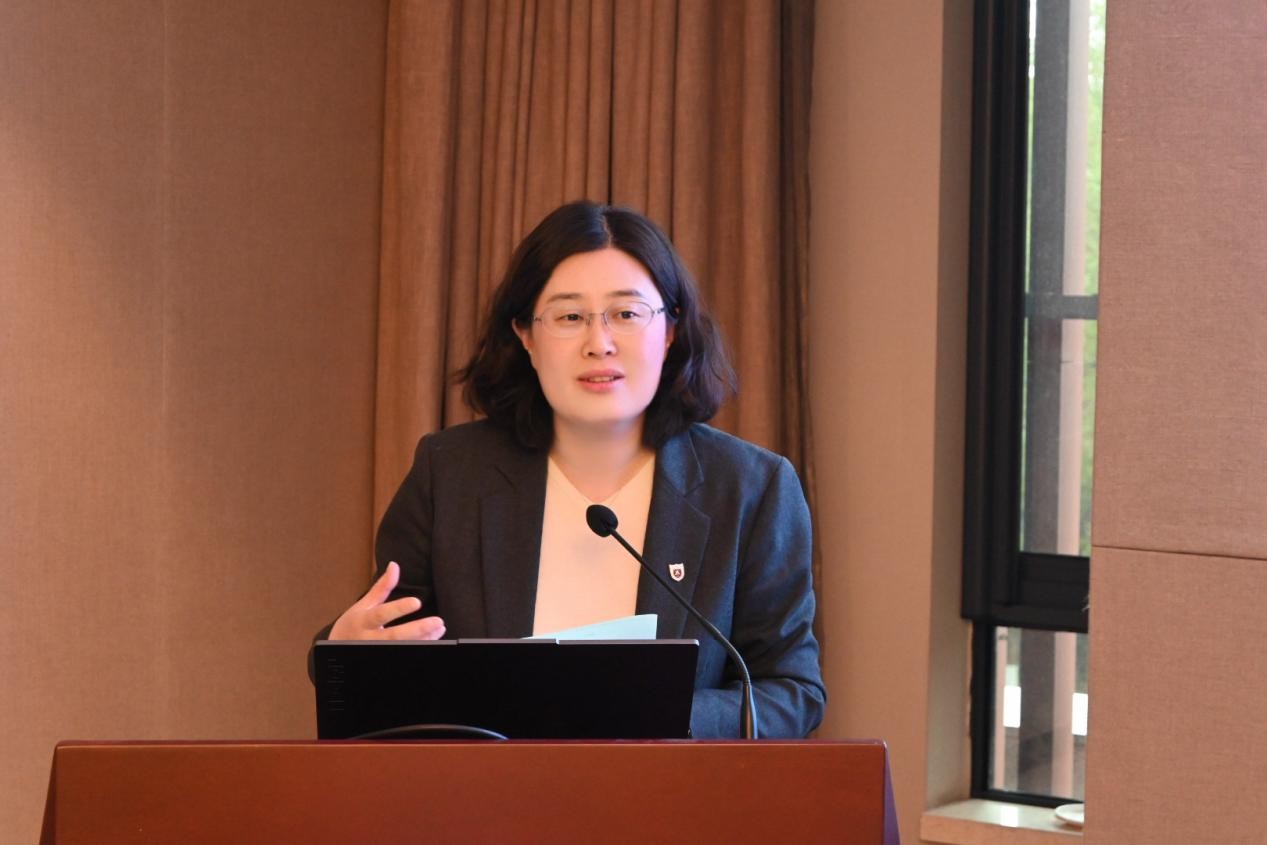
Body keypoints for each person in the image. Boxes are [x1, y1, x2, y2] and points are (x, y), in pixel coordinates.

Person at [316, 200, 825, 738]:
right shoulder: (451, 475)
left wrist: (651, 719)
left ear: (671, 330)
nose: (599, 344)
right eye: (569, 317)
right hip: (486, 789)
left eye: (626, 314)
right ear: (526, 336)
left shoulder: (750, 488)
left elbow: (791, 690)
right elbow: (382, 649)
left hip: (668, 789)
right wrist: (342, 653)